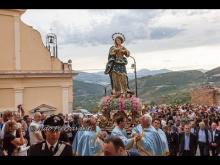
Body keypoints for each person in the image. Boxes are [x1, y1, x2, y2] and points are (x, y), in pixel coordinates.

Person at [104, 32, 133, 98]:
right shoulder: (113, 47)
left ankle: (126, 90)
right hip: (115, 64)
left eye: (119, 40)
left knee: (124, 77)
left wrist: (124, 51)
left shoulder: (123, 47)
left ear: (121, 41)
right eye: (117, 40)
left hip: (122, 64)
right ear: (115, 41)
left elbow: (128, 54)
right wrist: (117, 49)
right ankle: (117, 91)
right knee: (115, 77)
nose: (118, 41)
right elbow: (111, 53)